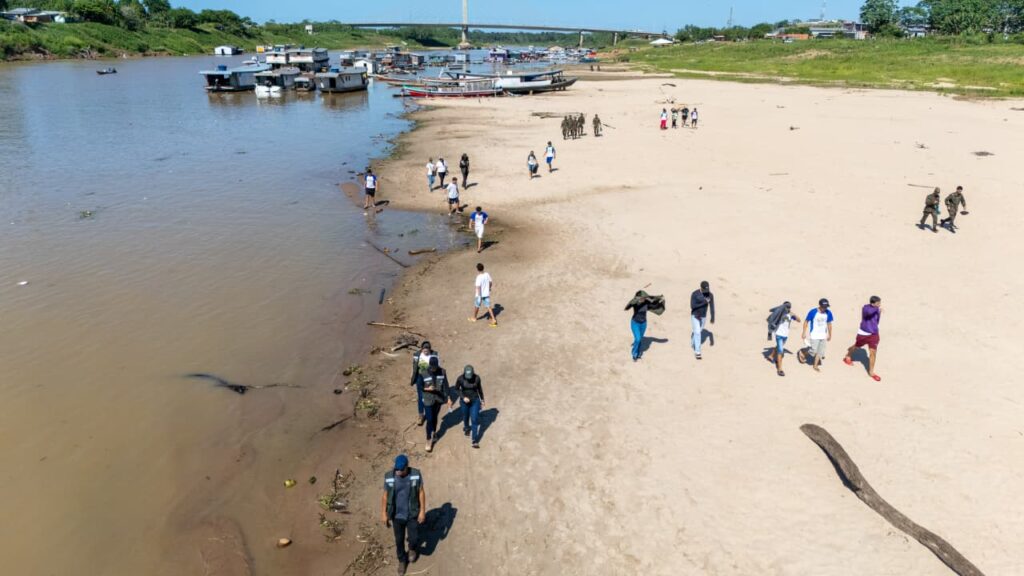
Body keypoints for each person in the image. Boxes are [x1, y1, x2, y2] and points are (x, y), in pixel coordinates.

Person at [381, 454, 425, 576]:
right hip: (396, 516)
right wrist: (383, 513)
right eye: (397, 469)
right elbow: (385, 496)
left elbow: (421, 492)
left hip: (412, 514)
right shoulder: (389, 477)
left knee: (414, 537)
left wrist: (422, 511)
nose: (398, 472)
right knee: (399, 540)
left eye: (401, 469)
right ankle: (401, 560)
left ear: (407, 467)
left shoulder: (416, 474)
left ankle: (411, 548)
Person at [843, 296, 882, 381]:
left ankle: (871, 372)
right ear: (873, 303)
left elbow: (877, 321)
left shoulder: (877, 309)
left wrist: (879, 313)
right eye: (878, 303)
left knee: (873, 353)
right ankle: (848, 356)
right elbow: (869, 313)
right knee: (857, 346)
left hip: (874, 334)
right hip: (863, 333)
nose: (880, 305)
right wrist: (878, 309)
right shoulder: (866, 308)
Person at [625, 290, 665, 361]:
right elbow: (627, 307)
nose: (643, 299)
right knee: (638, 339)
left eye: (644, 298)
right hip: (635, 323)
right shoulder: (635, 304)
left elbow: (654, 305)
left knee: (640, 339)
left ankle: (638, 353)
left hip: (644, 323)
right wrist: (635, 299)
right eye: (642, 298)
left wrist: (660, 301)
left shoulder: (646, 303)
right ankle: (634, 354)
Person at [421, 363, 451, 453]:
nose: (433, 369)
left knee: (434, 417)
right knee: (429, 419)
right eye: (432, 367)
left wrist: (448, 398)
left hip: (438, 399)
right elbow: (419, 386)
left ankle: (434, 432)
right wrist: (427, 388)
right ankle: (428, 439)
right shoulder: (423, 372)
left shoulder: (442, 371)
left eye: (435, 367)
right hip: (428, 399)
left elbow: (446, 385)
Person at [798, 298, 833, 372]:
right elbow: (806, 321)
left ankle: (815, 365)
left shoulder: (828, 313)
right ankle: (803, 352)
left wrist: (830, 334)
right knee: (813, 350)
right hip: (814, 334)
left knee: (820, 352)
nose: (825, 308)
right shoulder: (813, 312)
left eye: (826, 307)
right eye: (824, 307)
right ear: (820, 305)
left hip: (823, 335)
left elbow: (829, 324)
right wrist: (804, 332)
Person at [410, 341, 439, 426]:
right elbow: (414, 366)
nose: (425, 352)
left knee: (430, 395)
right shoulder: (417, 354)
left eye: (427, 351)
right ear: (421, 349)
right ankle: (421, 416)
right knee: (420, 396)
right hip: (420, 377)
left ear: (430, 349)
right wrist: (411, 375)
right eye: (424, 350)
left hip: (430, 378)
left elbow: (438, 366)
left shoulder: (434, 354)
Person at [456, 365, 485, 448]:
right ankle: (466, 427)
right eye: (467, 376)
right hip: (464, 401)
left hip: (475, 400)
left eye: (470, 376)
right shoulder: (460, 379)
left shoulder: (477, 378)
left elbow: (479, 389)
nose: (469, 378)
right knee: (465, 416)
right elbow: (456, 389)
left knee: (474, 418)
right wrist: (463, 397)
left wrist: (482, 400)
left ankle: (474, 440)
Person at [767, 301, 800, 377]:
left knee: (779, 346)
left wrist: (792, 314)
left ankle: (771, 356)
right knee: (780, 351)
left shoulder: (790, 315)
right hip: (779, 334)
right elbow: (773, 317)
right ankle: (780, 369)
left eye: (789, 307)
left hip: (785, 335)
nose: (788, 308)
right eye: (786, 307)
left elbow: (799, 320)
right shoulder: (780, 313)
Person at [690, 281, 715, 360]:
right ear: (701, 288)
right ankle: (698, 352)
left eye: (707, 290)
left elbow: (712, 306)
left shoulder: (710, 295)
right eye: (704, 290)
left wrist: (712, 316)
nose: (706, 292)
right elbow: (692, 306)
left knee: (698, 331)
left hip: (703, 316)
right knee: (697, 332)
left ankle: (693, 341)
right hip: (695, 315)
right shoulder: (695, 294)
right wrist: (704, 302)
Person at [470, 262, 497, 326]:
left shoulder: (478, 277)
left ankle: (474, 318)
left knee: (477, 306)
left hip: (480, 294)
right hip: (486, 293)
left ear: (477, 269)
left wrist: (479, 295)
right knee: (488, 306)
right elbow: (490, 282)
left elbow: (478, 287)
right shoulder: (487, 274)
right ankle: (493, 319)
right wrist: (489, 288)